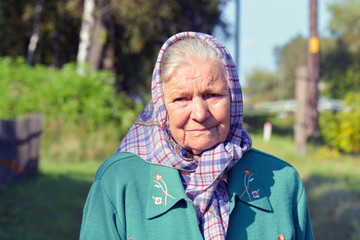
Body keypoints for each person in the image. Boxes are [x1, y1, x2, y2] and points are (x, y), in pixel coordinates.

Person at [80, 32, 314, 240]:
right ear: (162, 106)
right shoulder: (119, 182)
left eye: (213, 95)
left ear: (233, 98)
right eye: (181, 99)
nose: (200, 114)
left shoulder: (283, 183)